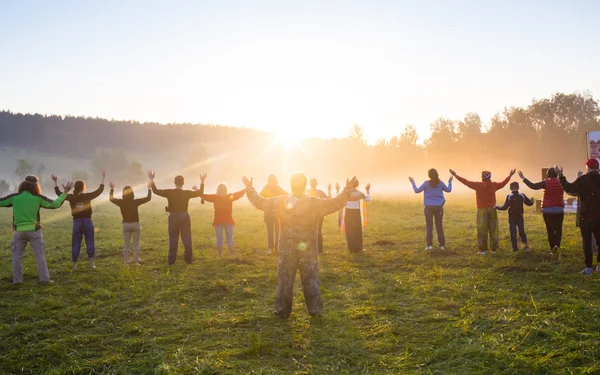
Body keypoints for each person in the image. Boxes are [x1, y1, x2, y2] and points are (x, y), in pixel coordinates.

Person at [242, 173, 356, 318]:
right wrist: (347, 190)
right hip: (305, 251)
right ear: (304, 185)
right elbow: (335, 203)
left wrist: (249, 188)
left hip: (288, 250)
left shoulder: (282, 202)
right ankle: (314, 311)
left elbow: (260, 202)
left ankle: (283, 311)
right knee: (308, 280)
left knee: (287, 281)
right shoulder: (312, 203)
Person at [0, 175, 74, 283]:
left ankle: (17, 281)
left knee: (16, 256)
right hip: (35, 231)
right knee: (40, 256)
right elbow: (55, 204)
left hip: (18, 231)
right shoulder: (38, 198)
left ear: (23, 184)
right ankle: (44, 280)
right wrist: (65, 192)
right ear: (36, 186)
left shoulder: (14, 197)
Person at [450, 169, 515, 254]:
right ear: (490, 177)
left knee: (482, 230)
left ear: (482, 177)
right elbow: (503, 184)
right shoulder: (494, 185)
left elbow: (466, 182)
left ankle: (482, 250)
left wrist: (456, 175)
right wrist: (510, 176)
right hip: (492, 209)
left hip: (482, 210)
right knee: (493, 229)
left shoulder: (478, 185)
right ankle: (493, 249)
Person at [148, 171, 205, 265]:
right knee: (186, 238)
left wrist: (151, 180)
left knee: (173, 238)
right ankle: (188, 259)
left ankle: (171, 260)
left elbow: (156, 191)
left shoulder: (169, 192)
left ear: (174, 183)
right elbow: (200, 192)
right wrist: (202, 181)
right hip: (184, 216)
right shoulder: (187, 193)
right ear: (183, 183)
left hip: (173, 216)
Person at [52, 171, 105, 269]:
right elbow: (99, 191)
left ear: (74, 188)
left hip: (77, 222)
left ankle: (74, 265)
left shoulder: (71, 197)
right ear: (83, 187)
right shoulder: (87, 196)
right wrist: (103, 177)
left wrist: (55, 182)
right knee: (90, 241)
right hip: (88, 221)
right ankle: (92, 264)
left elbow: (59, 194)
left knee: (76, 242)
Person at [556, 159, 600, 275]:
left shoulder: (583, 180)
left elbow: (570, 189)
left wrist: (561, 176)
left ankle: (589, 267)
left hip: (585, 216)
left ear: (588, 168)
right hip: (599, 216)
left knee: (587, 242)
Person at [193, 179, 246, 258]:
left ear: (226, 190)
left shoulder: (227, 197)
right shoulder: (216, 197)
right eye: (220, 189)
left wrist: (247, 187)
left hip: (227, 221)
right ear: (218, 190)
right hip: (219, 221)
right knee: (220, 239)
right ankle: (221, 255)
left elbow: (239, 194)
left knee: (228, 238)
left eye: (223, 189)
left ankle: (231, 255)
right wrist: (198, 189)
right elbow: (204, 196)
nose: (221, 191)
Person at [518, 168, 565, 254]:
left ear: (548, 174)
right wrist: (562, 174)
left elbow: (533, 186)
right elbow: (569, 187)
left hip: (548, 210)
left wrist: (523, 178)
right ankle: (557, 245)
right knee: (558, 229)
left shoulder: (545, 183)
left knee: (550, 229)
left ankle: (552, 248)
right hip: (559, 209)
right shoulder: (561, 182)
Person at [109, 181, 152, 264]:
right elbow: (148, 198)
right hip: (135, 224)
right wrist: (149, 188)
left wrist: (112, 189)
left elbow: (111, 199)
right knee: (136, 243)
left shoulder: (121, 202)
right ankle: (136, 261)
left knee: (126, 244)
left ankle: (126, 261)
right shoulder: (135, 202)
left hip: (126, 224)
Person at [409, 168, 453, 250]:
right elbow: (449, 190)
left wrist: (412, 182)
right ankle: (442, 245)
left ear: (429, 175)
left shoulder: (426, 183)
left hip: (429, 207)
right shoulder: (440, 183)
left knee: (429, 226)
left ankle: (429, 245)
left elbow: (417, 190)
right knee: (439, 226)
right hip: (439, 207)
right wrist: (450, 181)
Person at [495, 181, 534, 253]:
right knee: (522, 232)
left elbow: (504, 207)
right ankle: (526, 247)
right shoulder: (522, 195)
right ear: (518, 187)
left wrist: (497, 207)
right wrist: (532, 200)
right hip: (520, 216)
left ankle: (515, 249)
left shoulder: (509, 196)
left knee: (513, 232)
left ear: (510, 188)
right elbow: (529, 203)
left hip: (512, 217)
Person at [259, 175, 287, 254]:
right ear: (268, 182)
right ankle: (270, 248)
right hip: (268, 214)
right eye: (270, 181)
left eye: (273, 181)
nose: (272, 183)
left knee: (278, 231)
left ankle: (278, 247)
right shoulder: (265, 188)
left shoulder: (279, 188)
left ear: (275, 181)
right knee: (270, 232)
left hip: (278, 214)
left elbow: (286, 195)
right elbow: (260, 197)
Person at [341, 179, 371, 252]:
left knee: (349, 230)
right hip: (356, 213)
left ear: (350, 184)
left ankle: (350, 247)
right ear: (357, 184)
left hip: (348, 212)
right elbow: (367, 199)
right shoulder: (359, 193)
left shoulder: (347, 193)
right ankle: (358, 248)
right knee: (357, 230)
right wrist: (367, 191)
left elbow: (338, 198)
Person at [305, 179, 332, 253]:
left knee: (309, 231)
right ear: (316, 184)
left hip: (309, 215)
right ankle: (320, 249)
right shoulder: (320, 192)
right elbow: (329, 200)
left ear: (310, 184)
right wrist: (329, 190)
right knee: (318, 230)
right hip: (319, 215)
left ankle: (310, 248)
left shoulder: (306, 192)